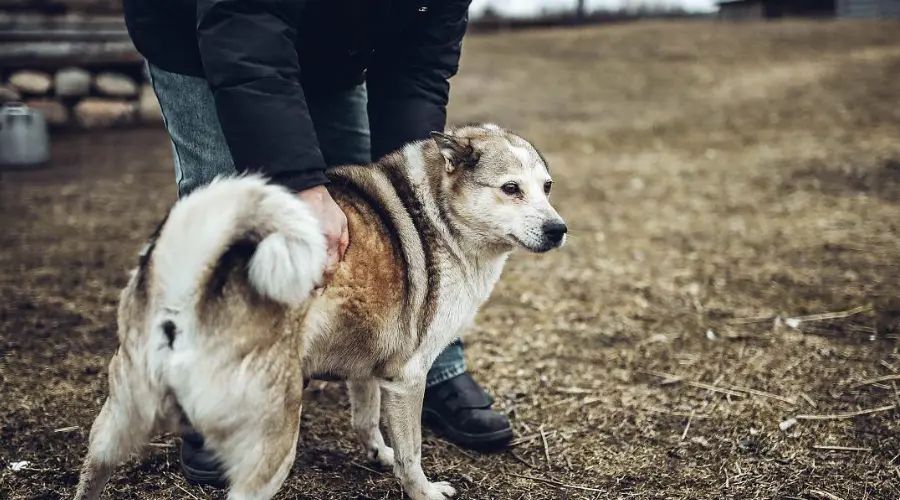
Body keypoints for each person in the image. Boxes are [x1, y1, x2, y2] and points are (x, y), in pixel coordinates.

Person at [123, 0, 513, 489]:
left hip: (335, 50)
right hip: (207, 33)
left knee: (368, 214)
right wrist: (301, 186)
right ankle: (215, 387)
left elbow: (419, 69)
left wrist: (410, 200)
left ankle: (426, 361)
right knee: (232, 213)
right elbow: (246, 33)